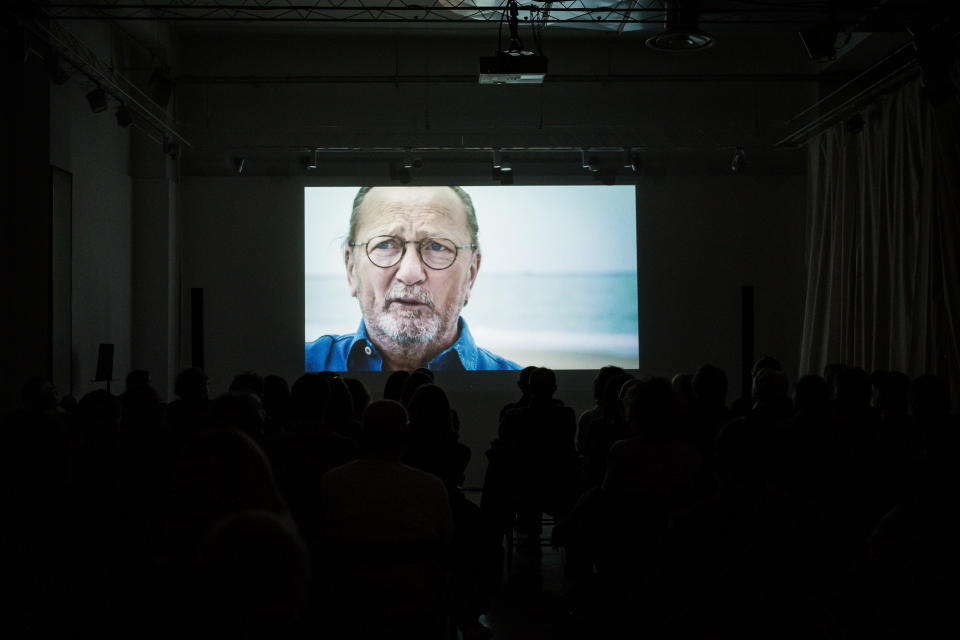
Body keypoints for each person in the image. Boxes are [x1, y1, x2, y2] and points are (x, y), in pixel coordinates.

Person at [305, 186, 520, 371]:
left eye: (437, 246)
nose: (410, 274)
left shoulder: (519, 387)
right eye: (385, 244)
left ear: (470, 274)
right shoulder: (301, 364)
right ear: (351, 269)